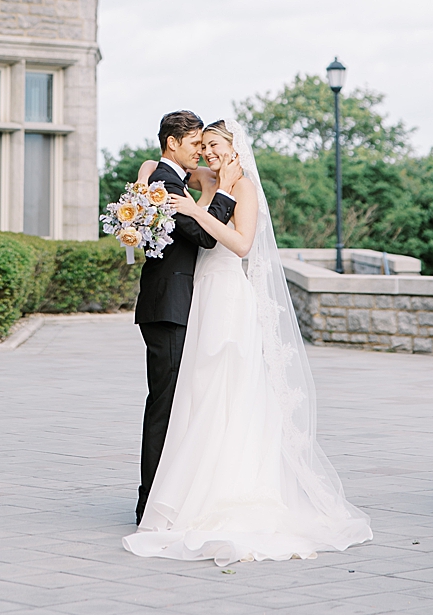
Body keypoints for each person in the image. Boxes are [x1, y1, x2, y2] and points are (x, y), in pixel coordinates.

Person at [123, 120, 371, 564]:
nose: (206, 153)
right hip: (194, 299)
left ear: (234, 149)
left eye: (214, 145)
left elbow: (239, 244)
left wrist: (206, 205)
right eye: (201, 145)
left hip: (223, 298)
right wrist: (149, 171)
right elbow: (163, 172)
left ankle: (205, 492)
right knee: (190, 396)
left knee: (222, 389)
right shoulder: (202, 178)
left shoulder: (242, 187)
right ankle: (169, 493)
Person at [133, 109, 236, 523]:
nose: (200, 151)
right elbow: (203, 237)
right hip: (169, 308)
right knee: (165, 406)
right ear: (172, 143)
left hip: (172, 305)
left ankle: (163, 495)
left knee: (172, 404)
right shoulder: (163, 182)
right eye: (195, 143)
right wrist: (225, 191)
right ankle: (150, 503)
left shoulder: (166, 178)